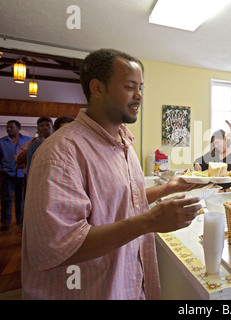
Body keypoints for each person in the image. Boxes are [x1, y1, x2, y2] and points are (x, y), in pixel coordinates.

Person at [22, 48, 203, 300]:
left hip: (125, 284)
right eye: (130, 87)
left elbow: (116, 201)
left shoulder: (123, 143)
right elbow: (57, 247)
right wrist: (149, 221)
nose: (139, 96)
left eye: (141, 87)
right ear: (97, 89)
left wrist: (167, 188)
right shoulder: (61, 152)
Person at [0, 120, 32, 231]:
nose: (8, 129)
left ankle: (19, 219)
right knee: (7, 198)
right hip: (7, 174)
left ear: (18, 128)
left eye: (11, 127)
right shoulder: (1, 142)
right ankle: (5, 221)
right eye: (7, 127)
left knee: (21, 198)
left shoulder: (28, 140)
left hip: (21, 174)